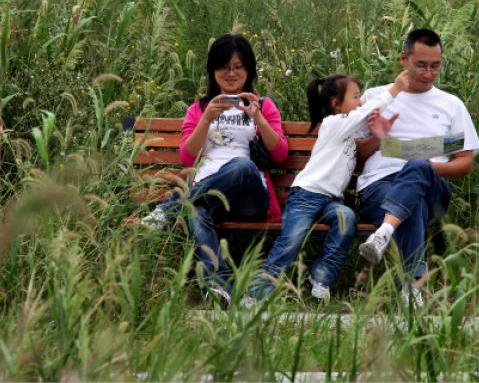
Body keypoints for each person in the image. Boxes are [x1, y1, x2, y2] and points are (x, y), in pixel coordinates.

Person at [140, 33, 288, 305]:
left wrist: (258, 118)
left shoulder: (263, 106)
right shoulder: (199, 109)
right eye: (224, 67)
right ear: (213, 70)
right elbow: (187, 158)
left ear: (249, 70)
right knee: (195, 209)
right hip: (209, 197)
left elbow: (279, 153)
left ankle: (170, 206)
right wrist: (207, 119)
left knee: (242, 165)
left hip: (249, 198)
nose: (231, 73)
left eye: (238, 67)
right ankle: (221, 286)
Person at [246, 70, 411, 304]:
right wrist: (395, 88)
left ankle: (321, 278)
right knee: (290, 242)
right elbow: (365, 112)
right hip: (307, 194)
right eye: (355, 96)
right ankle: (257, 293)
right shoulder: (333, 124)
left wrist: (379, 135)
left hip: (331, 201)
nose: (361, 101)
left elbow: (364, 145)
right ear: (336, 104)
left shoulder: (350, 133)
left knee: (346, 219)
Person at [355, 28, 479, 306]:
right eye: (420, 65)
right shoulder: (378, 96)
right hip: (380, 185)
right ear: (404, 59)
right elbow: (358, 156)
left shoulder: (451, 105)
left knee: (417, 170)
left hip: (432, 186)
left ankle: (383, 234)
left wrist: (428, 168)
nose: (428, 73)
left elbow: (465, 162)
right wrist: (378, 135)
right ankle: (412, 287)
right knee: (411, 203)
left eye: (435, 66)